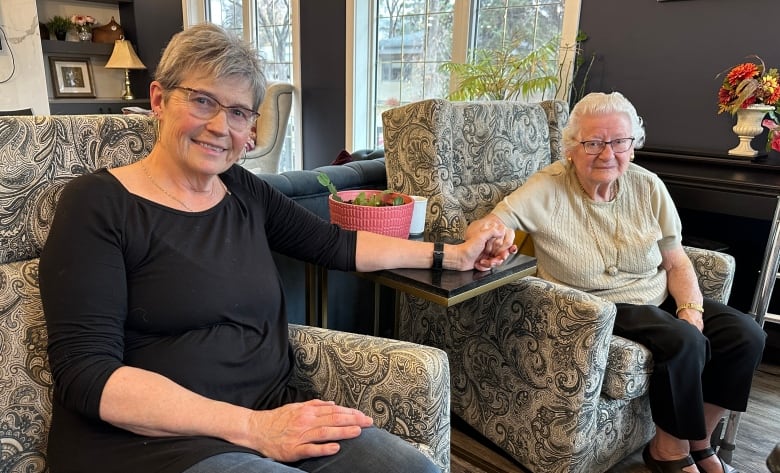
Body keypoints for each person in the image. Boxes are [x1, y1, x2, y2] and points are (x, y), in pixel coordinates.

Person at [38, 23, 512, 473]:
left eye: (240, 112)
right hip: (150, 445)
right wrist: (253, 429)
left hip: (272, 413)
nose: (221, 126)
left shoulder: (242, 190)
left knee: (412, 468)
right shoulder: (97, 204)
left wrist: (453, 255)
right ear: (159, 99)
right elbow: (87, 373)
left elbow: (337, 245)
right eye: (203, 101)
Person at [466, 92, 766, 473]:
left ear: (633, 145)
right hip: (599, 307)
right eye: (592, 142)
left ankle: (700, 443)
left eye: (619, 142)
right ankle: (669, 454)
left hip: (657, 297)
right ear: (572, 148)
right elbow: (492, 222)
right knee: (683, 338)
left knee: (746, 334)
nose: (607, 153)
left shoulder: (648, 186)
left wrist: (691, 308)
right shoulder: (547, 188)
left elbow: (676, 261)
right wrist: (487, 235)